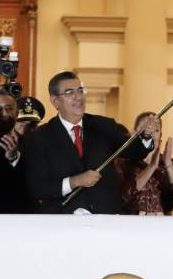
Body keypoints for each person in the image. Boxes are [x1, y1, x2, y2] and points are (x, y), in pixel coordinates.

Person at [22, 71, 157, 214]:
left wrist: (146, 136)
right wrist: (75, 181)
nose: (78, 97)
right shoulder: (39, 137)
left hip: (106, 219)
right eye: (69, 93)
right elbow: (37, 187)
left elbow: (134, 152)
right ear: (55, 101)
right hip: (63, 223)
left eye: (80, 90)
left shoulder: (104, 126)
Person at [114, 112, 173, 215]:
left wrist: (168, 164)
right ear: (133, 132)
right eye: (146, 128)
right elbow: (123, 197)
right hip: (130, 227)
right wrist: (151, 167)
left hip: (163, 227)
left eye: (155, 129)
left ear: (160, 135)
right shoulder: (121, 163)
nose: (150, 133)